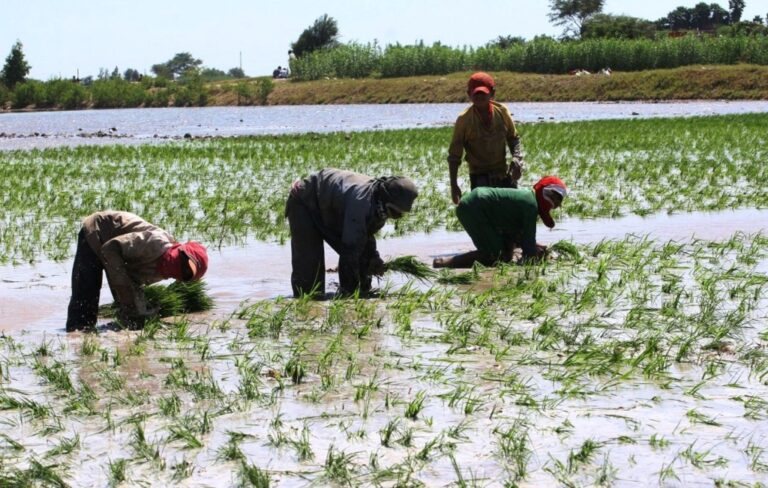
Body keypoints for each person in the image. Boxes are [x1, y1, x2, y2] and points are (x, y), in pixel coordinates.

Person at [66, 211, 208, 332]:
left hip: (118, 255)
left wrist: (140, 310)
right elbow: (110, 248)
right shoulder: (155, 243)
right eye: (184, 262)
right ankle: (75, 338)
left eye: (187, 273)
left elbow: (134, 283)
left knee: (130, 313)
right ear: (181, 250)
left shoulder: (163, 271)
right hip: (97, 231)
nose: (181, 269)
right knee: (85, 299)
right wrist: (122, 285)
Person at [285, 168, 418, 298]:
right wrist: (349, 293)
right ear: (388, 202)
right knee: (309, 276)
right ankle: (305, 306)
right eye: (396, 212)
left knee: (363, 259)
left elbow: (365, 236)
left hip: (329, 205)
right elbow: (350, 250)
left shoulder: (378, 205)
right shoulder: (361, 203)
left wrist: (372, 258)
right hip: (304, 200)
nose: (397, 217)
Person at [434, 176, 567, 268]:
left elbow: (520, 236)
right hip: (474, 208)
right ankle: (444, 263)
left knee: (505, 252)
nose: (553, 203)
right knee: (495, 255)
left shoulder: (529, 199)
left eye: (556, 202)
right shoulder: (531, 205)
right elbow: (529, 250)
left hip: (476, 204)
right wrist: (540, 255)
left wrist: (534, 245)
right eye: (552, 197)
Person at [447, 72, 525, 205]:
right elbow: (454, 156)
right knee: (486, 218)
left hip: (503, 174)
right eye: (476, 94)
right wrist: (454, 186)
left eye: (483, 93)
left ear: (492, 93)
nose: (479, 97)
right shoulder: (464, 120)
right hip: (479, 177)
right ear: (469, 94)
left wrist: (517, 159)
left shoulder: (502, 112)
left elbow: (513, 138)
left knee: (511, 215)